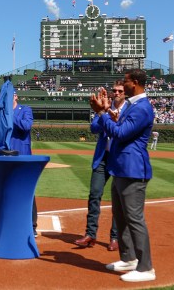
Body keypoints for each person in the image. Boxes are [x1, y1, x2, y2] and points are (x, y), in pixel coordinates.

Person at [89, 69, 156, 283]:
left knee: (135, 219)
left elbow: (119, 133)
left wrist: (101, 114)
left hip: (133, 169)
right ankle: (129, 259)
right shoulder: (133, 106)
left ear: (134, 83)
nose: (122, 85)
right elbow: (117, 127)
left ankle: (146, 268)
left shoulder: (142, 108)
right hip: (120, 168)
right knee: (121, 217)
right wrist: (108, 113)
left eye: (125, 82)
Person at [75, 81, 124, 251]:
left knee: (118, 200)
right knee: (94, 195)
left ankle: (115, 238)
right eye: (114, 90)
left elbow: (123, 130)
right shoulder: (103, 106)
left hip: (118, 159)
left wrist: (107, 115)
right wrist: (103, 112)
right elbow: (94, 128)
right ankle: (90, 235)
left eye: (120, 91)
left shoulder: (128, 109)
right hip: (102, 158)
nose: (116, 93)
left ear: (125, 93)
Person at [0, 91, 38, 235]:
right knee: (4, 189)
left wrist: (9, 116)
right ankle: (6, 222)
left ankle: (32, 225)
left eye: (11, 96)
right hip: (3, 157)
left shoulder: (25, 109)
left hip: (21, 155)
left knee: (27, 191)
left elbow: (26, 126)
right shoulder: (1, 113)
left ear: (15, 97)